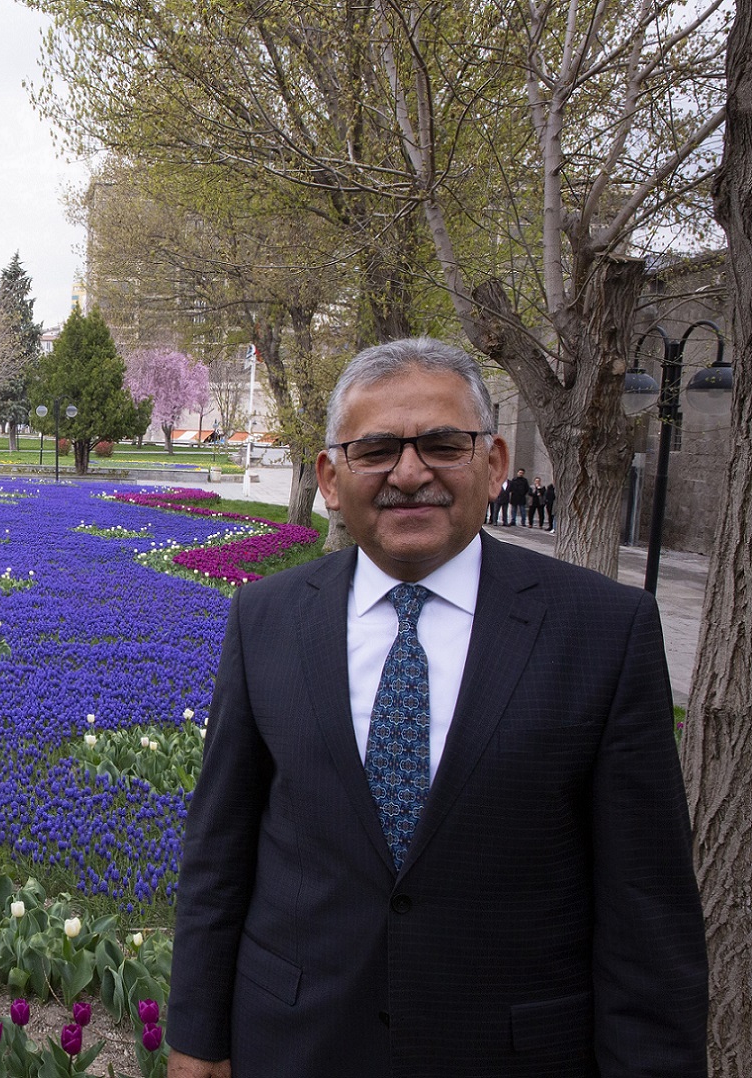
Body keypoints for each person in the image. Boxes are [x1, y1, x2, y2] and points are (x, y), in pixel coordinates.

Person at [168, 337, 706, 1078]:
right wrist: (196, 1042)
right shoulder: (267, 617)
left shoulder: (603, 630)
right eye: (377, 448)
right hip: (296, 1044)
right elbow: (218, 855)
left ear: (492, 465)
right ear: (330, 476)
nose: (409, 472)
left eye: (442, 444)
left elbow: (646, 905)